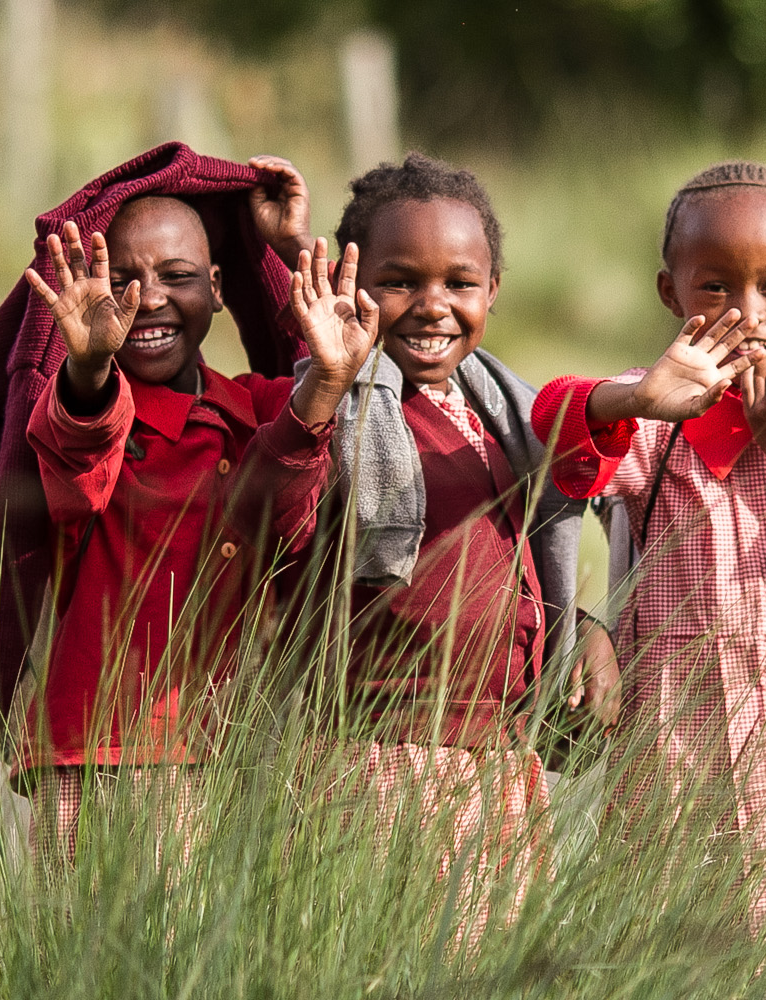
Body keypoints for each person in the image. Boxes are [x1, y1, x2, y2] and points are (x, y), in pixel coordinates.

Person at [531, 161, 766, 968]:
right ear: (669, 292)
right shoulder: (657, 409)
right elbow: (553, 430)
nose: (747, 312)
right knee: (685, 947)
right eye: (715, 287)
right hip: (679, 742)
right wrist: (636, 400)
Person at [280, 152, 618, 938]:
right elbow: (286, 503)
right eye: (400, 281)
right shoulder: (338, 410)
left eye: (460, 283)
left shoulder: (501, 418)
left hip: (496, 770)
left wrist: (582, 631)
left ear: (493, 288)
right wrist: (290, 248)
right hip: (376, 766)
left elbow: (509, 570)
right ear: (351, 286)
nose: (433, 305)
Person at [17, 192, 378, 866]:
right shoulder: (91, 408)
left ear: (216, 288)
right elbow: (77, 459)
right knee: (90, 935)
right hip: (104, 750)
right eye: (123, 279)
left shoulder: (259, 406)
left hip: (236, 748)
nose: (149, 298)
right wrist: (89, 368)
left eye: (176, 276)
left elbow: (291, 506)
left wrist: (297, 259)